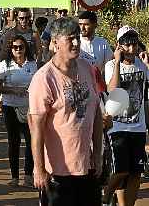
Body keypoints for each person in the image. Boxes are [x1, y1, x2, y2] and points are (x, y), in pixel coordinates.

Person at [28, 17, 103, 206]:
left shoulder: (87, 69)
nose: (76, 42)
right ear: (55, 43)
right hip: (58, 172)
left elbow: (96, 115)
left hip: (87, 167)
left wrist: (97, 155)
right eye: (70, 38)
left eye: (77, 37)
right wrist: (38, 168)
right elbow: (36, 127)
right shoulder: (44, 79)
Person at [103, 26, 149, 206]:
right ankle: (106, 194)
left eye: (134, 45)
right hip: (117, 126)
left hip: (138, 125)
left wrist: (146, 64)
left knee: (136, 172)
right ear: (119, 46)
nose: (132, 49)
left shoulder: (140, 64)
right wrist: (116, 62)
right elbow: (112, 89)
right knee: (121, 170)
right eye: (127, 45)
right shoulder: (111, 65)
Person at [0, 35, 36, 187]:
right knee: (14, 141)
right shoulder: (4, 65)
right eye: (15, 47)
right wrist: (12, 90)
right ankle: (14, 176)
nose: (18, 50)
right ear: (10, 49)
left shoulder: (32, 64)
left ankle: (28, 175)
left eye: (21, 47)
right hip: (10, 107)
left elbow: (38, 84)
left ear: (26, 48)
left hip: (29, 108)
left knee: (31, 141)